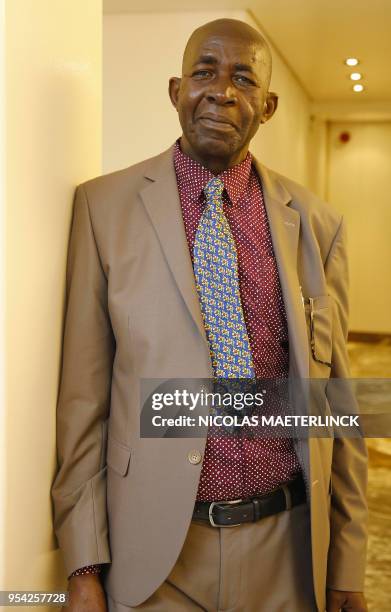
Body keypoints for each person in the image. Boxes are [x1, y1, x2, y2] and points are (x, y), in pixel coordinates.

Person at [51, 17, 368, 612]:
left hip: (287, 551)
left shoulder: (317, 225)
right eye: (205, 72)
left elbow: (339, 407)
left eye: (243, 78)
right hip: (155, 557)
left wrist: (346, 562)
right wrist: (82, 564)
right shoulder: (104, 209)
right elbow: (82, 403)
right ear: (176, 91)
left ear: (267, 106)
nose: (222, 91)